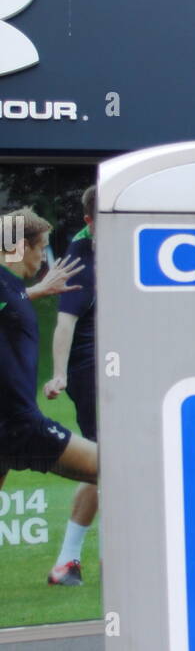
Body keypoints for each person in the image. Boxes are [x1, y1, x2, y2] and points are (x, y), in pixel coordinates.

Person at [0, 209, 97, 509]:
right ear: (19, 246)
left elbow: (9, 306)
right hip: (20, 423)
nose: (44, 257)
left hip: (8, 426)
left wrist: (37, 291)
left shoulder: (11, 287)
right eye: (41, 248)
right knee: (118, 470)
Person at [43, 187, 98, 585]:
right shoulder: (80, 261)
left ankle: (67, 563)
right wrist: (60, 374)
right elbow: (65, 324)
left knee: (110, 464)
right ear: (89, 221)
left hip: (126, 363)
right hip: (92, 370)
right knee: (112, 464)